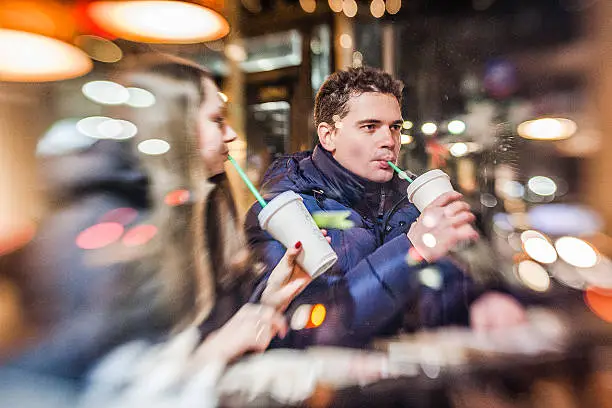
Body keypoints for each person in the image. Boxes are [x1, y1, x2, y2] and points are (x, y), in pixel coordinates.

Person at [4, 56, 310, 382]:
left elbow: (206, 339)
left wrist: (269, 300)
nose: (232, 134)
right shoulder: (109, 226)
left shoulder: (201, 212)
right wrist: (215, 351)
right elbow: (94, 385)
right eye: (217, 120)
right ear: (175, 124)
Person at [245, 66, 526, 348]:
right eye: (370, 127)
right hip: (329, 389)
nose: (389, 141)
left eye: (395, 127)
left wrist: (479, 298)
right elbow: (307, 330)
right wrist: (410, 250)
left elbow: (435, 297)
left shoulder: (410, 201)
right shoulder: (281, 211)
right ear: (328, 135)